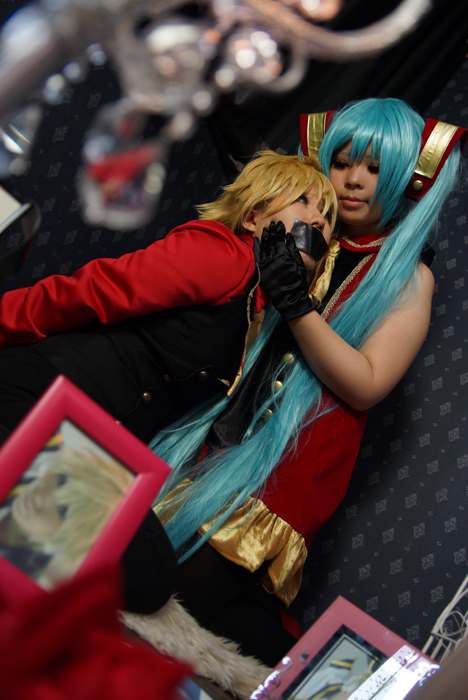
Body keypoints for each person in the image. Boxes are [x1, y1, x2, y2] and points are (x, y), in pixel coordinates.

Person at [151, 98, 466, 666]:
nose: (353, 179)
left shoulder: (409, 277)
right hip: (211, 441)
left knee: (174, 596)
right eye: (342, 162)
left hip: (286, 469)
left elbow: (368, 383)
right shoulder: (307, 227)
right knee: (151, 590)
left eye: (374, 167)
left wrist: (297, 306)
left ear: (408, 176)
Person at [0, 151, 335, 614]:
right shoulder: (225, 255)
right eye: (304, 201)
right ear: (253, 217)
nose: (317, 220)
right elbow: (85, 292)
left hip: (85, 435)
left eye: (327, 219)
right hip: (36, 391)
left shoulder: (260, 320)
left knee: (150, 574)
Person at [0, 444, 133, 589]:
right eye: (62, 480)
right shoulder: (14, 463)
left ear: (68, 538)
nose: (40, 496)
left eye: (63, 511)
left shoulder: (25, 583)